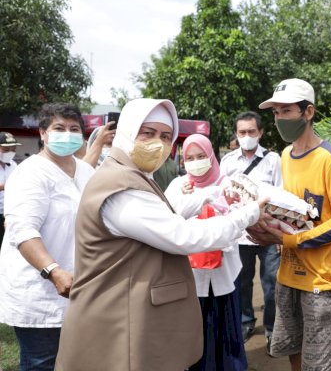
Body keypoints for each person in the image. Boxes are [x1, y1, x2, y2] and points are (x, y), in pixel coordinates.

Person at [55, 98, 267, 371]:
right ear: (128, 132)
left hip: (126, 311)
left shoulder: (133, 175)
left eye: (166, 136)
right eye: (148, 133)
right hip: (118, 321)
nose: (158, 142)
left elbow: (169, 218)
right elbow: (183, 236)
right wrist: (248, 213)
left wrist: (211, 196)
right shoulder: (121, 186)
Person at [251, 78, 331, 371]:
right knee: (292, 348)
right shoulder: (285, 156)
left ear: (308, 112)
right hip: (288, 274)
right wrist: (266, 226)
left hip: (320, 282)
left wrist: (292, 240)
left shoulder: (329, 157)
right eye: (275, 113)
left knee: (320, 361)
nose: (279, 119)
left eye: (286, 111)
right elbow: (295, 211)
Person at [0, 104, 95, 371]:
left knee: (74, 362)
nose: (68, 134)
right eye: (59, 128)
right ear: (43, 133)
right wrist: (53, 271)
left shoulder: (86, 171)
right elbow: (22, 229)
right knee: (42, 363)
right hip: (40, 288)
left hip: (78, 286)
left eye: (74, 129)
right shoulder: (30, 172)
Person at [165, 133, 247, 371]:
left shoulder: (228, 185)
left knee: (224, 328)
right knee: (196, 331)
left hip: (223, 273)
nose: (195, 162)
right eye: (189, 157)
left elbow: (240, 224)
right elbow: (168, 223)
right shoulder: (177, 187)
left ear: (211, 156)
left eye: (201, 156)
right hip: (191, 278)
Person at [219, 111, 283, 348]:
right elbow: (220, 196)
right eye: (242, 132)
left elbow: (281, 194)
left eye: (251, 132)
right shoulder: (227, 162)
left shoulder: (273, 160)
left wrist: (280, 234)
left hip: (269, 233)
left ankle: (271, 329)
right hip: (240, 235)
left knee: (271, 284)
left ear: (261, 133)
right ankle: (246, 321)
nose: (246, 136)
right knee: (241, 282)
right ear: (236, 134)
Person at [0, 132, 22, 249]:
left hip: (7, 213)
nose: (10, 151)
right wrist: (5, 186)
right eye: (6, 148)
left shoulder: (13, 165)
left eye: (13, 148)